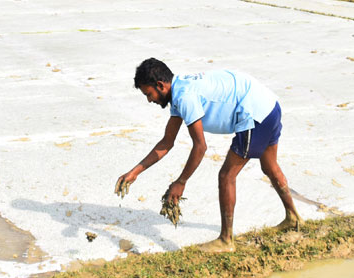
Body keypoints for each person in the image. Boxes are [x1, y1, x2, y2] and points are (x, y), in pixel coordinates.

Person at [115, 58, 300, 252]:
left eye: (149, 94)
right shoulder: (180, 89)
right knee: (269, 166)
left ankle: (226, 240)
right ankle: (293, 217)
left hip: (254, 114)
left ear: (160, 85)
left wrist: (181, 182)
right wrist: (135, 171)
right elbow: (167, 142)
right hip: (269, 105)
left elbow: (200, 146)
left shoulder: (184, 97)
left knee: (226, 176)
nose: (149, 100)